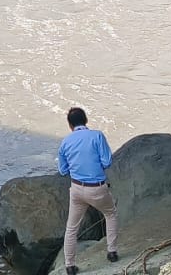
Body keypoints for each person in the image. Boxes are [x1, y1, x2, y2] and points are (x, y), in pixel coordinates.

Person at [58, 106, 118, 274]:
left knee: (71, 228)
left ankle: (70, 265)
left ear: (70, 125)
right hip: (97, 188)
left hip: (77, 189)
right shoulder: (97, 136)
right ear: (86, 120)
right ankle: (112, 252)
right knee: (110, 214)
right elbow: (107, 162)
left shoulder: (65, 142)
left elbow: (62, 170)